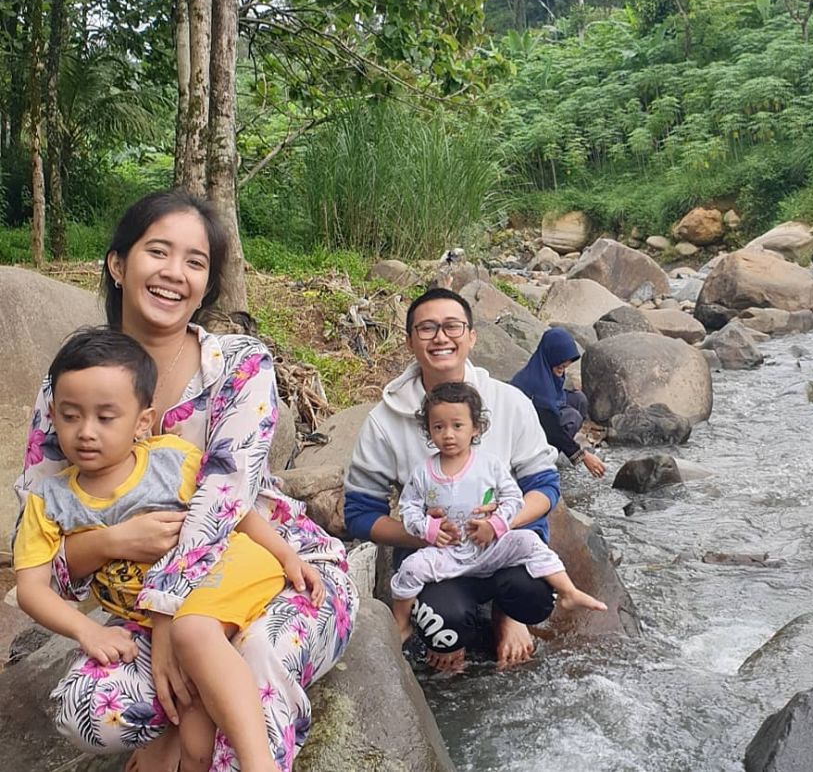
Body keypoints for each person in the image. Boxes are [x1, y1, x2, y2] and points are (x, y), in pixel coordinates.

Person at [15, 191, 358, 772]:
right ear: (118, 264)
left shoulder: (239, 366)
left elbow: (229, 494)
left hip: (271, 571)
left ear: (207, 284)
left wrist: (173, 618)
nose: (175, 273)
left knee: (254, 666)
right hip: (146, 608)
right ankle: (178, 729)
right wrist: (109, 544)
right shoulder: (70, 390)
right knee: (89, 707)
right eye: (158, 252)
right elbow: (48, 555)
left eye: (195, 262)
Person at [16, 327, 326, 772]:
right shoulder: (49, 501)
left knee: (193, 632)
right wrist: (90, 632)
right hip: (158, 616)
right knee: (196, 741)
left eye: (105, 418)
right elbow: (32, 588)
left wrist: (285, 554)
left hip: (227, 568)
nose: (86, 432)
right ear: (53, 415)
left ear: (142, 422)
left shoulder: (169, 460)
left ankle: (260, 764)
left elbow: (233, 506)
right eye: (70, 416)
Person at [345, 286, 561, 672]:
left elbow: (544, 486)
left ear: (472, 336)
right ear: (410, 341)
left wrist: (498, 524)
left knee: (534, 598)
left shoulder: (510, 403)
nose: (441, 337)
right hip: (436, 560)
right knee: (444, 628)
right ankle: (447, 625)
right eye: (427, 328)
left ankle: (506, 616)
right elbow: (359, 513)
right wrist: (423, 534)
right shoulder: (386, 419)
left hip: (501, 549)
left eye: (452, 326)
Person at [390, 381, 605, 641]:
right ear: (428, 431)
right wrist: (429, 528)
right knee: (411, 567)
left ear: (475, 428)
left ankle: (568, 591)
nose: (448, 434)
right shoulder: (423, 472)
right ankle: (401, 624)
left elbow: (513, 497)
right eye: (439, 427)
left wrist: (496, 525)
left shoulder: (489, 465)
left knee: (528, 540)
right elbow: (409, 507)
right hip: (447, 553)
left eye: (457, 426)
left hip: (491, 548)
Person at [510, 328, 606, 478]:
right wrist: (582, 456)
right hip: (525, 436)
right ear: (550, 357)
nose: (562, 370)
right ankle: (545, 459)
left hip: (544, 416)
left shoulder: (544, 370)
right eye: (560, 366)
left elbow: (556, 398)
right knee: (571, 418)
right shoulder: (534, 383)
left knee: (578, 399)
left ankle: (562, 447)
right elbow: (551, 427)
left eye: (565, 367)